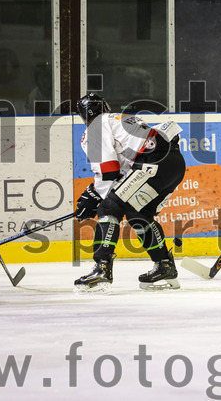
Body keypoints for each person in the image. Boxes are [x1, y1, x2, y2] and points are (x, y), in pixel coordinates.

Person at [73, 92, 186, 291]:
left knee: (109, 208)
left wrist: (95, 196)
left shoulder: (95, 128)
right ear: (105, 107)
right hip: (174, 164)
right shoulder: (119, 119)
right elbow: (120, 175)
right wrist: (94, 194)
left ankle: (102, 268)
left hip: (153, 163)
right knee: (138, 214)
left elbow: (109, 171)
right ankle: (164, 265)